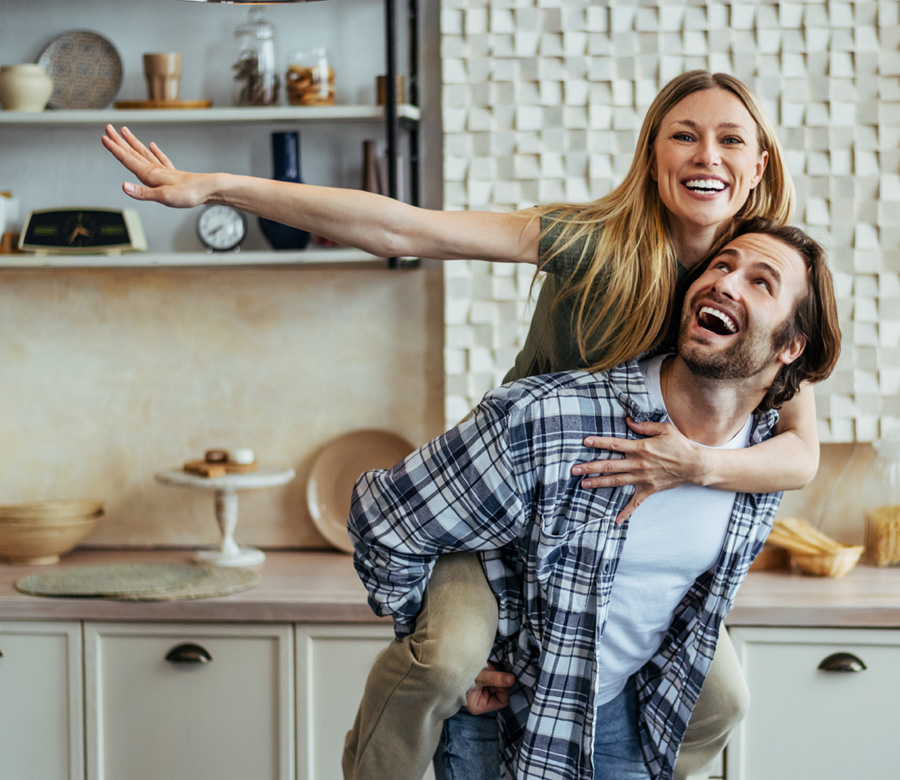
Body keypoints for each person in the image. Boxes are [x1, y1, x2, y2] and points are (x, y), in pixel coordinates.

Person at [100, 70, 816, 780]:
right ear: (652, 155)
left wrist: (693, 465)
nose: (705, 156)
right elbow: (404, 225)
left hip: (602, 542)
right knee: (445, 662)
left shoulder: (768, 285)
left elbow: (800, 454)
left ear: (759, 166)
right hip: (501, 517)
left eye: (730, 139)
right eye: (683, 136)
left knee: (722, 699)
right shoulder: (595, 244)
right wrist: (221, 187)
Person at [348, 218, 842, 780]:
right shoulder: (553, 419)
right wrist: (437, 648)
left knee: (729, 700)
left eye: (761, 282)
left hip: (626, 719)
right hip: (506, 721)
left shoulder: (759, 458)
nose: (727, 283)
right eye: (722, 265)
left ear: (791, 346)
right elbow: (384, 520)